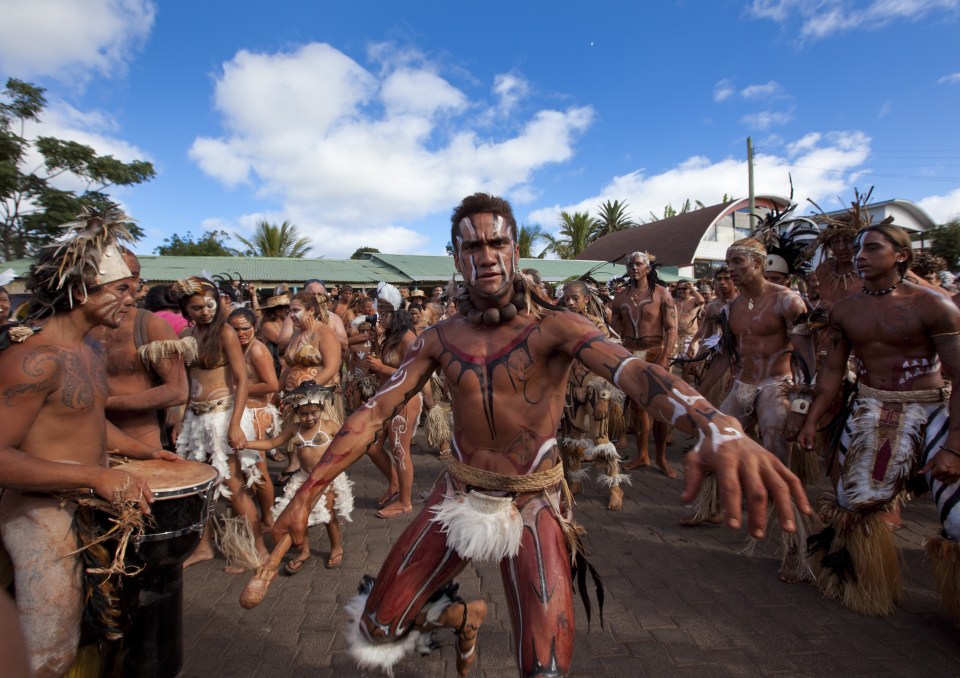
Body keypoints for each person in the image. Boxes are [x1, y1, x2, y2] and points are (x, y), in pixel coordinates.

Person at [268, 193, 811, 678]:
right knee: (378, 629)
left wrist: (715, 423)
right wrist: (309, 490)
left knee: (545, 668)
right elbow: (375, 410)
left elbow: (633, 372)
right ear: (456, 257)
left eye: (497, 241)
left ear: (515, 248)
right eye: (472, 246)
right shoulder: (437, 337)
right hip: (458, 493)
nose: (486, 255)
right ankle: (462, 617)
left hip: (534, 499)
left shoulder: (555, 327)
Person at [0, 208, 178, 676]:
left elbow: (88, 420)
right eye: (121, 288)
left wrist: (144, 451)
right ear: (81, 290)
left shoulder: (92, 347)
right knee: (49, 656)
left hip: (92, 504)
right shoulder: (32, 359)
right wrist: (93, 476)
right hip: (41, 512)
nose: (133, 296)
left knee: (105, 640)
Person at [799, 223, 960, 618]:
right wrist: (809, 419)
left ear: (901, 255)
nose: (860, 255)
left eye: (871, 248)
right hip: (870, 410)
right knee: (851, 506)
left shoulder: (933, 305)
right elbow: (833, 371)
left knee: (958, 519)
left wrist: (955, 446)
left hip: (932, 412)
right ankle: (864, 588)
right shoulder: (846, 309)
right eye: (858, 249)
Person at [682, 237, 816, 584]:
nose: (731, 270)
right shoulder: (731, 309)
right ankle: (707, 508)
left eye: (739, 261)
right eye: (728, 263)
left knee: (775, 464)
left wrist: (801, 407)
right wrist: (697, 394)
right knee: (710, 442)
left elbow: (806, 361)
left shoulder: (788, 301)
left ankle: (794, 550)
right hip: (742, 385)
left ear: (759, 262)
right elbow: (726, 356)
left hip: (777, 385)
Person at [171, 276, 263, 570]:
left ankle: (256, 549)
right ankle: (203, 546)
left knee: (234, 486)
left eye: (209, 304)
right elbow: (187, 382)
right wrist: (178, 419)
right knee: (200, 488)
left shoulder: (225, 333)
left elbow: (242, 380)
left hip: (224, 416)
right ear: (186, 309)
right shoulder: (188, 336)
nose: (205, 311)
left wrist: (235, 424)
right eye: (197, 307)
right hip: (196, 420)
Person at [246, 381, 353, 571]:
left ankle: (336, 547)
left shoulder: (329, 426)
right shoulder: (295, 429)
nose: (309, 418)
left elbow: (349, 443)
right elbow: (271, 444)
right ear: (296, 412)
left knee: (328, 514)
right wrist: (247, 444)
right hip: (304, 477)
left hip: (326, 477)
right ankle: (304, 551)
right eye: (304, 414)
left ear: (321, 409)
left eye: (314, 413)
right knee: (297, 515)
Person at [89, 251, 189, 449]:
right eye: (118, 276)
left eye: (134, 277)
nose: (130, 285)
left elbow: (177, 390)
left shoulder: (150, 325)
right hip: (85, 442)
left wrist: (103, 404)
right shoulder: (78, 327)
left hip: (140, 440)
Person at [559, 279, 628, 510]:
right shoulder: (561, 324)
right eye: (566, 297)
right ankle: (576, 481)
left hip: (594, 387)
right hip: (572, 388)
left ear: (586, 299)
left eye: (574, 298)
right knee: (573, 438)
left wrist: (605, 398)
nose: (569, 302)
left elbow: (609, 362)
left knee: (601, 439)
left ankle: (615, 487)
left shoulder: (597, 326)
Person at [611, 251, 678, 477]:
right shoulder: (620, 297)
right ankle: (642, 455)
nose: (633, 267)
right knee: (638, 407)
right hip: (630, 354)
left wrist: (665, 357)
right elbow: (614, 332)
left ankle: (661, 457)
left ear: (647, 268)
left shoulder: (662, 294)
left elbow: (671, 328)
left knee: (659, 407)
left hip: (655, 353)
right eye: (630, 263)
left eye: (638, 263)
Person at [364, 285, 423, 518]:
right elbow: (384, 367)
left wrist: (381, 367)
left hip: (405, 400)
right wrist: (375, 346)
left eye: (386, 313)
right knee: (372, 446)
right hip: (386, 398)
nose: (381, 317)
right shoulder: (390, 337)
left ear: (397, 315)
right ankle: (395, 483)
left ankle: (405, 502)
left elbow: (414, 375)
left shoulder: (408, 338)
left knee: (400, 450)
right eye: (381, 312)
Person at [228, 307, 280, 528]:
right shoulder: (234, 348)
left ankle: (269, 518)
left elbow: (272, 385)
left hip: (256, 415)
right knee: (242, 469)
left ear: (254, 328)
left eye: (245, 329)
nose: (240, 333)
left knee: (258, 469)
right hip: (240, 414)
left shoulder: (257, 350)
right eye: (234, 329)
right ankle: (251, 515)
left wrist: (239, 388)